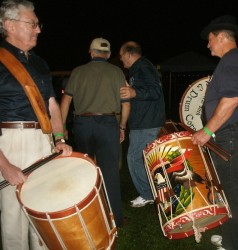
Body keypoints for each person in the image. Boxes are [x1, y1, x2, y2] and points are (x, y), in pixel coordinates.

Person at [0, 0, 73, 249]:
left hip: (43, 141)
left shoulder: (41, 63)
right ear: (10, 25)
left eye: (38, 24)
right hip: (11, 142)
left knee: (44, 212)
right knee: (14, 219)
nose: (38, 29)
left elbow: (52, 106)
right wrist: (4, 164)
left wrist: (60, 139)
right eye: (33, 24)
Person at [191, 15, 238, 250]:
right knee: (231, 189)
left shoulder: (232, 61)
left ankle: (233, 245)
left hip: (233, 134)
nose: (208, 44)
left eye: (210, 39)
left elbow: (231, 100)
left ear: (221, 36)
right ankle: (235, 238)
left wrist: (207, 130)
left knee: (231, 193)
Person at [60, 37, 130, 227]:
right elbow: (126, 104)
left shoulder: (78, 72)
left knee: (85, 169)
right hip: (108, 124)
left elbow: (65, 101)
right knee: (110, 171)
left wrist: (62, 127)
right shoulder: (117, 72)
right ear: (107, 54)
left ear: (91, 52)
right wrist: (122, 127)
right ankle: (115, 217)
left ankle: (86, 216)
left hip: (82, 125)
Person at [119, 41, 166, 207]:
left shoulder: (142, 67)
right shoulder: (140, 68)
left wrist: (134, 91)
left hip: (146, 123)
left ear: (130, 54)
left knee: (134, 158)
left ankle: (148, 194)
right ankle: (156, 192)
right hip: (145, 121)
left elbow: (155, 91)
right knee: (147, 160)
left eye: (121, 55)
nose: (120, 58)